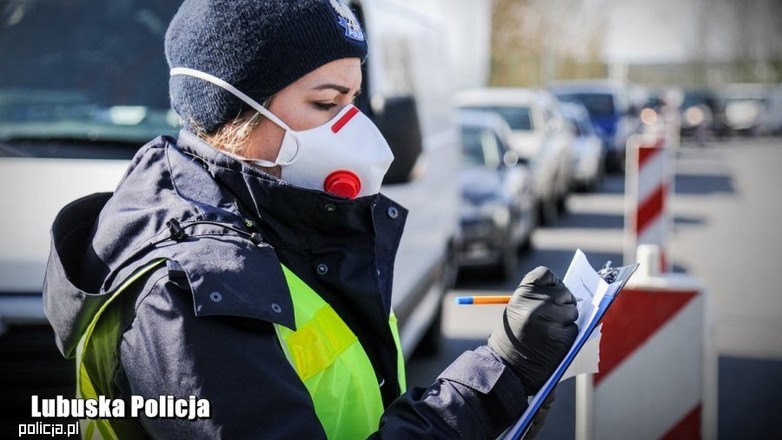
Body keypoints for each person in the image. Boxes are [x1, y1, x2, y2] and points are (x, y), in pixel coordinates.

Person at [43, 0, 579, 438]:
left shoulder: (280, 220)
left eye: (354, 100)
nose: (353, 126)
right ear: (232, 112)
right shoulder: (189, 290)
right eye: (326, 104)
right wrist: (499, 377)